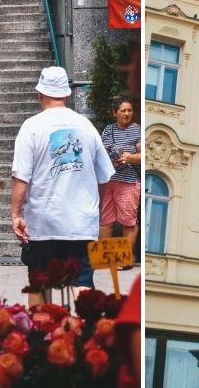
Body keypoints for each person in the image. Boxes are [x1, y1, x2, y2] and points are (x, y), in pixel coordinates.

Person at [10, 67, 114, 295]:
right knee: (83, 284)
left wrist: (16, 214)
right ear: (67, 95)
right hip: (80, 223)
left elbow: (21, 177)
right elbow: (105, 176)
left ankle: (41, 330)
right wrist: (95, 206)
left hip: (43, 223)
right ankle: (85, 329)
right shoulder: (87, 127)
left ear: (40, 93)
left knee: (39, 285)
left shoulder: (31, 127)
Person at [99, 98, 142, 256]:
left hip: (128, 182)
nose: (127, 113)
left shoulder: (137, 130)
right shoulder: (108, 130)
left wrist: (129, 158)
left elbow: (144, 155)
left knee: (128, 222)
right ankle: (104, 258)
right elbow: (101, 152)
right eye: (123, 110)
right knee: (105, 221)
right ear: (115, 113)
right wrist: (111, 157)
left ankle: (125, 259)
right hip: (108, 180)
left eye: (129, 110)